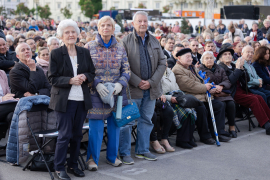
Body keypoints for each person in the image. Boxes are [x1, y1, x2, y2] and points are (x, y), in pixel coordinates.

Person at [48, 19, 95, 180]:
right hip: (64, 100)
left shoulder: (84, 52)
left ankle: (73, 165)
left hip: (81, 100)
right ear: (61, 35)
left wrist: (85, 76)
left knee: (77, 135)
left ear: (77, 34)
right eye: (67, 32)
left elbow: (92, 73)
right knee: (64, 135)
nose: (70, 35)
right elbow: (52, 78)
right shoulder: (55, 53)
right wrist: (70, 80)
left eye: (73, 32)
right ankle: (59, 167)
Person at [119, 11, 166, 164]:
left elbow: (162, 63)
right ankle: (125, 153)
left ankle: (142, 150)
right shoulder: (125, 41)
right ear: (133, 23)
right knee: (128, 122)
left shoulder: (154, 40)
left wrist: (151, 82)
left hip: (151, 90)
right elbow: (123, 65)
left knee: (146, 120)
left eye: (145, 21)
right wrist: (138, 81)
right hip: (133, 90)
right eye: (139, 21)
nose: (143, 24)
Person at [84, 16, 130, 170]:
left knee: (115, 127)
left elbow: (127, 70)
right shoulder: (89, 46)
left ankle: (112, 156)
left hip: (117, 94)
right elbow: (84, 70)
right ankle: (92, 159)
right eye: (102, 25)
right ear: (98, 27)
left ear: (113, 28)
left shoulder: (120, 47)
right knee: (95, 128)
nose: (106, 28)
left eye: (109, 25)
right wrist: (96, 84)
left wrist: (120, 84)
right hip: (95, 93)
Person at [172, 48, 231, 143]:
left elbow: (202, 80)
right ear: (179, 58)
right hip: (191, 97)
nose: (190, 58)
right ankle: (205, 136)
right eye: (187, 57)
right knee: (201, 108)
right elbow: (189, 85)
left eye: (190, 56)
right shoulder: (177, 70)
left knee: (219, 105)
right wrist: (205, 87)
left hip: (202, 95)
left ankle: (219, 133)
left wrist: (211, 87)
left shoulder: (192, 67)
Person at [219, 47, 270, 136]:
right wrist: (238, 69)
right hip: (231, 92)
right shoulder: (221, 67)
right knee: (254, 99)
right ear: (220, 58)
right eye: (225, 54)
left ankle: (268, 120)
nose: (228, 56)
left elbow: (246, 80)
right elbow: (230, 82)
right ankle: (266, 125)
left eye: (230, 54)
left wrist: (243, 69)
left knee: (259, 97)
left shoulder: (234, 65)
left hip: (241, 89)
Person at [199, 51, 237, 138]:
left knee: (231, 104)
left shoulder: (220, 68)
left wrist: (221, 86)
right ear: (203, 61)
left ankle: (232, 128)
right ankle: (221, 129)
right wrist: (213, 87)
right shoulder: (200, 70)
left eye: (211, 58)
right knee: (221, 105)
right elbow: (203, 82)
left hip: (222, 93)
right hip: (212, 94)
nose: (209, 60)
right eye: (207, 58)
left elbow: (227, 81)